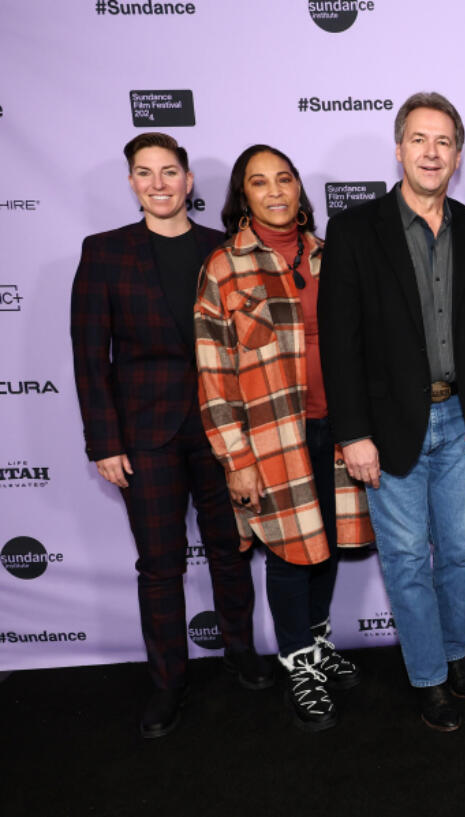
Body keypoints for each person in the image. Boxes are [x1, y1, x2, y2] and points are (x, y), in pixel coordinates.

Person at [319, 92, 465, 732]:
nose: (432, 153)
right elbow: (338, 343)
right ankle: (427, 675)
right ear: (399, 148)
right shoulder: (354, 230)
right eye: (420, 140)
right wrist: (354, 435)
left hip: (460, 420)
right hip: (388, 429)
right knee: (405, 559)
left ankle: (456, 654)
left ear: (458, 154)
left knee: (458, 552)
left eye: (444, 142)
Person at [70, 132, 272, 739]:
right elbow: (88, 357)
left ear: (188, 181)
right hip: (144, 435)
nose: (158, 184)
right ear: (132, 184)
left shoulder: (226, 248)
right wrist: (105, 441)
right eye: (144, 173)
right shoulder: (103, 252)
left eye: (168, 172)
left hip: (221, 430)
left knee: (231, 552)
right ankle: (168, 680)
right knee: (159, 565)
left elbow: (253, 346)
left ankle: (239, 650)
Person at [195, 145, 374, 732]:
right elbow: (214, 374)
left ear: (299, 188)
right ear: (242, 196)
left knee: (324, 547)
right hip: (272, 440)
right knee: (290, 553)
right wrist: (235, 459)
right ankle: (299, 663)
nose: (275, 191)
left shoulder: (331, 255)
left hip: (339, 429)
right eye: (259, 182)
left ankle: (316, 646)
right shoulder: (224, 267)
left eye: (285, 179)